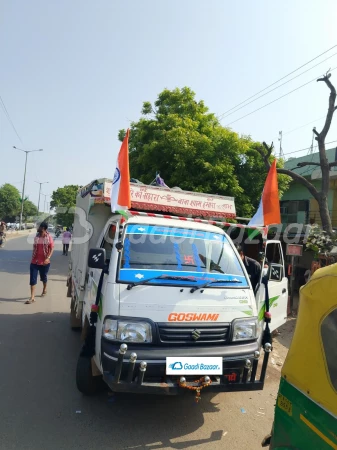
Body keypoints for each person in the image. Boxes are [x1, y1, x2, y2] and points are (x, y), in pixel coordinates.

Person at [26, 222, 54, 304]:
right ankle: (32, 297)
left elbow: (52, 248)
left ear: (44, 228)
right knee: (32, 279)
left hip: (44, 262)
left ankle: (44, 288)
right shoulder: (36, 237)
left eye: (40, 227)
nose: (38, 228)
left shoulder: (49, 238)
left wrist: (48, 258)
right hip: (34, 261)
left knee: (43, 277)